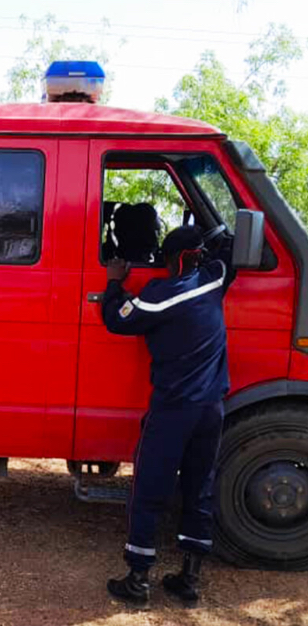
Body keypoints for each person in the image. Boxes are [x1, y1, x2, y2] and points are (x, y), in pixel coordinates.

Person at [101, 225, 236, 607]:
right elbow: (226, 254)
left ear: (170, 259)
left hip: (173, 411)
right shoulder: (215, 280)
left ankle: (139, 581)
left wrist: (114, 283)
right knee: (199, 488)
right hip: (211, 410)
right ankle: (189, 579)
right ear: (197, 257)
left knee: (149, 489)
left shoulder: (160, 296)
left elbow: (118, 319)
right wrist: (213, 244)